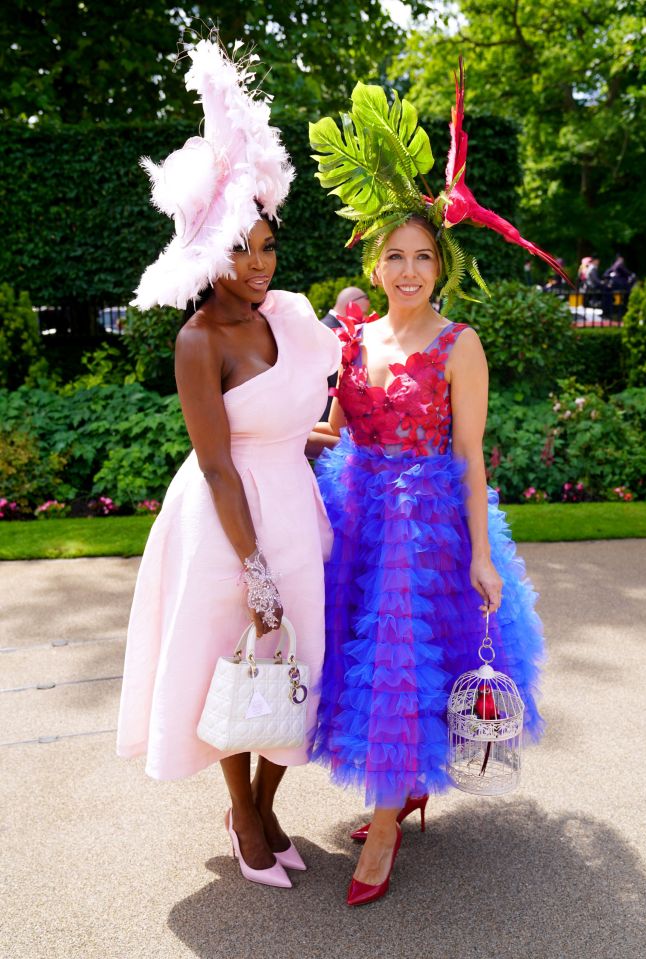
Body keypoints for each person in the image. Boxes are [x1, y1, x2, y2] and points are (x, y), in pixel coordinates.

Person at [309, 62, 547, 906]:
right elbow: (334, 427)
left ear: (439, 264)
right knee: (355, 655)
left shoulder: (460, 343)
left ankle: (382, 825)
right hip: (357, 507)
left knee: (404, 661)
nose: (408, 270)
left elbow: (473, 455)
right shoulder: (353, 338)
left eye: (422, 257)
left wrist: (483, 554)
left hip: (427, 523)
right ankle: (399, 788)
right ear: (373, 263)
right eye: (393, 256)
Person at [116, 37, 341, 890]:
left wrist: (305, 437)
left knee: (301, 662)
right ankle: (246, 813)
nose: (257, 265)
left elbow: (283, 409)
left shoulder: (284, 312)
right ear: (209, 247)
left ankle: (265, 804)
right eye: (241, 249)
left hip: (291, 499)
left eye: (266, 247)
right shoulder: (197, 339)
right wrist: (253, 566)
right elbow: (216, 463)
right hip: (225, 521)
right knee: (231, 662)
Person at [320, 286, 371, 418]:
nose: (364, 318)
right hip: (326, 414)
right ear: (351, 305)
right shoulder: (325, 330)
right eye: (364, 312)